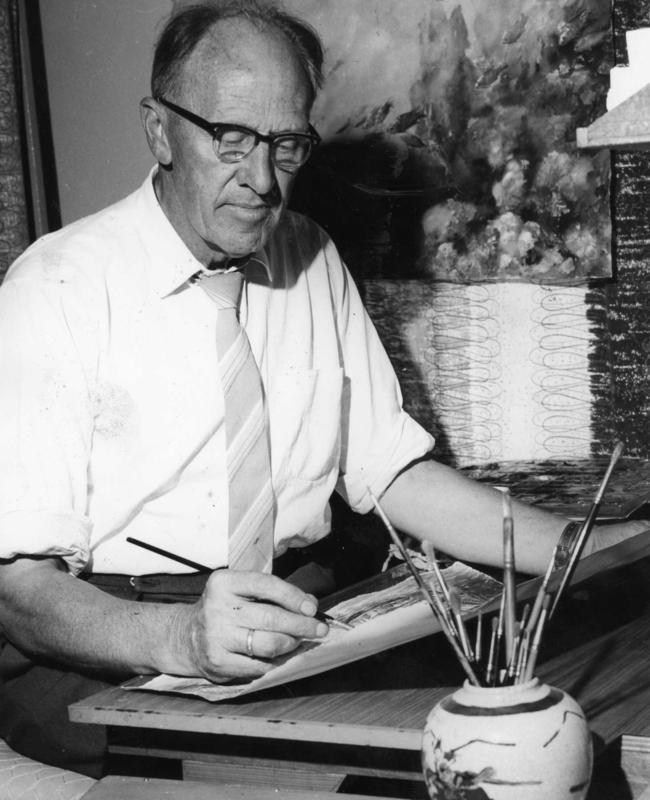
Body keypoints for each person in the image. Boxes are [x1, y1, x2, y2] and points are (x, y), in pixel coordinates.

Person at [0, 0, 645, 779]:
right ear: (159, 129)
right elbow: (21, 593)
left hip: (298, 613)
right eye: (231, 137)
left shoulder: (308, 254)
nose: (263, 179)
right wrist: (179, 639)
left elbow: (392, 473)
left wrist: (596, 546)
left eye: (287, 144)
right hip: (114, 640)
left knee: (537, 733)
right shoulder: (56, 285)